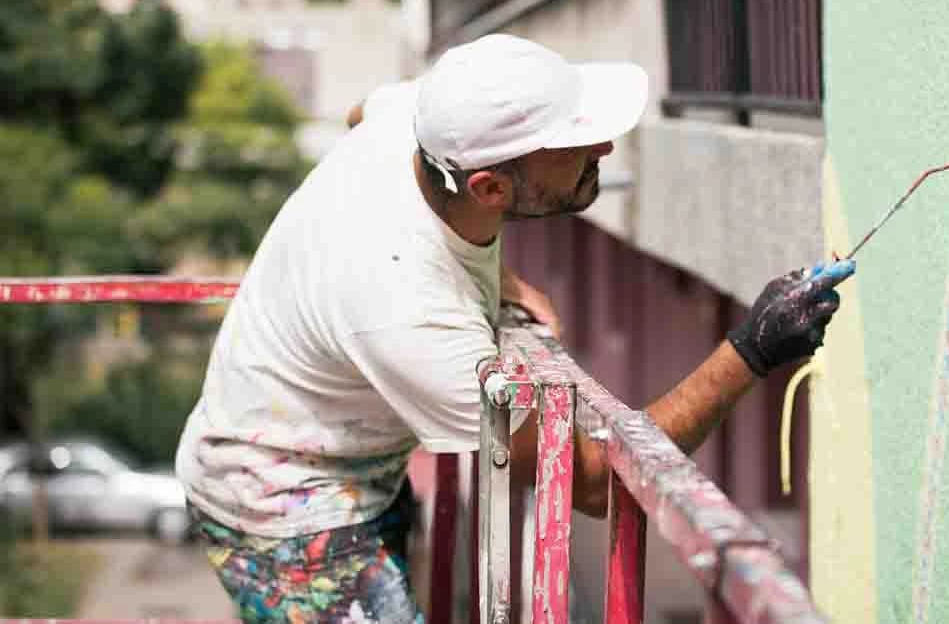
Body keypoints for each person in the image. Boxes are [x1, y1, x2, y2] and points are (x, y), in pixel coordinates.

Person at [177, 34, 854, 622]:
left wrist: (493, 278)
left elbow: (364, 113)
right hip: (277, 506)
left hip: (350, 461)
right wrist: (755, 347)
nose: (604, 145)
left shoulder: (420, 121)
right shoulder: (409, 309)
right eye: (571, 143)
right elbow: (592, 483)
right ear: (490, 190)